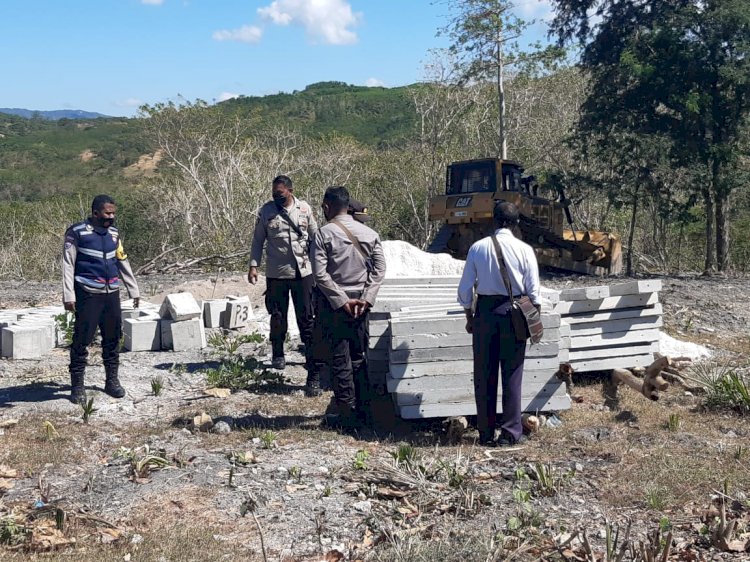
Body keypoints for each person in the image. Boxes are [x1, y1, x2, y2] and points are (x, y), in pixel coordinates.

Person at [457, 201, 541, 446]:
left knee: (484, 374)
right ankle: (510, 432)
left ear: (493, 220)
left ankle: (485, 433)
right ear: (515, 223)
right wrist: (533, 319)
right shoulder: (525, 250)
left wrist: (469, 317)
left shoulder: (477, 248)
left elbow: (465, 289)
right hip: (514, 312)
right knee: (513, 374)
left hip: (485, 312)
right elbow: (534, 292)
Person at [311, 186, 386, 430]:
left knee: (339, 358)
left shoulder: (324, 234)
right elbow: (379, 269)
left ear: (326, 207)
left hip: (335, 304)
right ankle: (366, 411)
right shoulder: (369, 233)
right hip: (361, 304)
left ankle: (347, 415)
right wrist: (366, 298)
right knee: (359, 356)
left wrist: (342, 300)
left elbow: (320, 274)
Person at [62, 194, 140, 404]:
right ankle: (77, 386)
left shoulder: (114, 234)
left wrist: (134, 290)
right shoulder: (77, 232)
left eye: (113, 213)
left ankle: (112, 381)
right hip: (88, 293)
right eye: (107, 213)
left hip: (111, 293)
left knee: (113, 338)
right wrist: (68, 295)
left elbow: (122, 260)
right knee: (82, 340)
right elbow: (68, 264)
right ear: (95, 213)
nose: (111, 217)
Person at [248, 175, 318, 375]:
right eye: (273, 193)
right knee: (278, 317)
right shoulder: (267, 211)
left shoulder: (304, 209)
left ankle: (312, 356)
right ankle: (278, 353)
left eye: (279, 193)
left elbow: (317, 236)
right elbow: (258, 241)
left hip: (303, 272)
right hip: (277, 273)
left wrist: (323, 265)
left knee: (306, 317)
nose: (276, 196)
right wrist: (254, 265)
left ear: (290, 190)